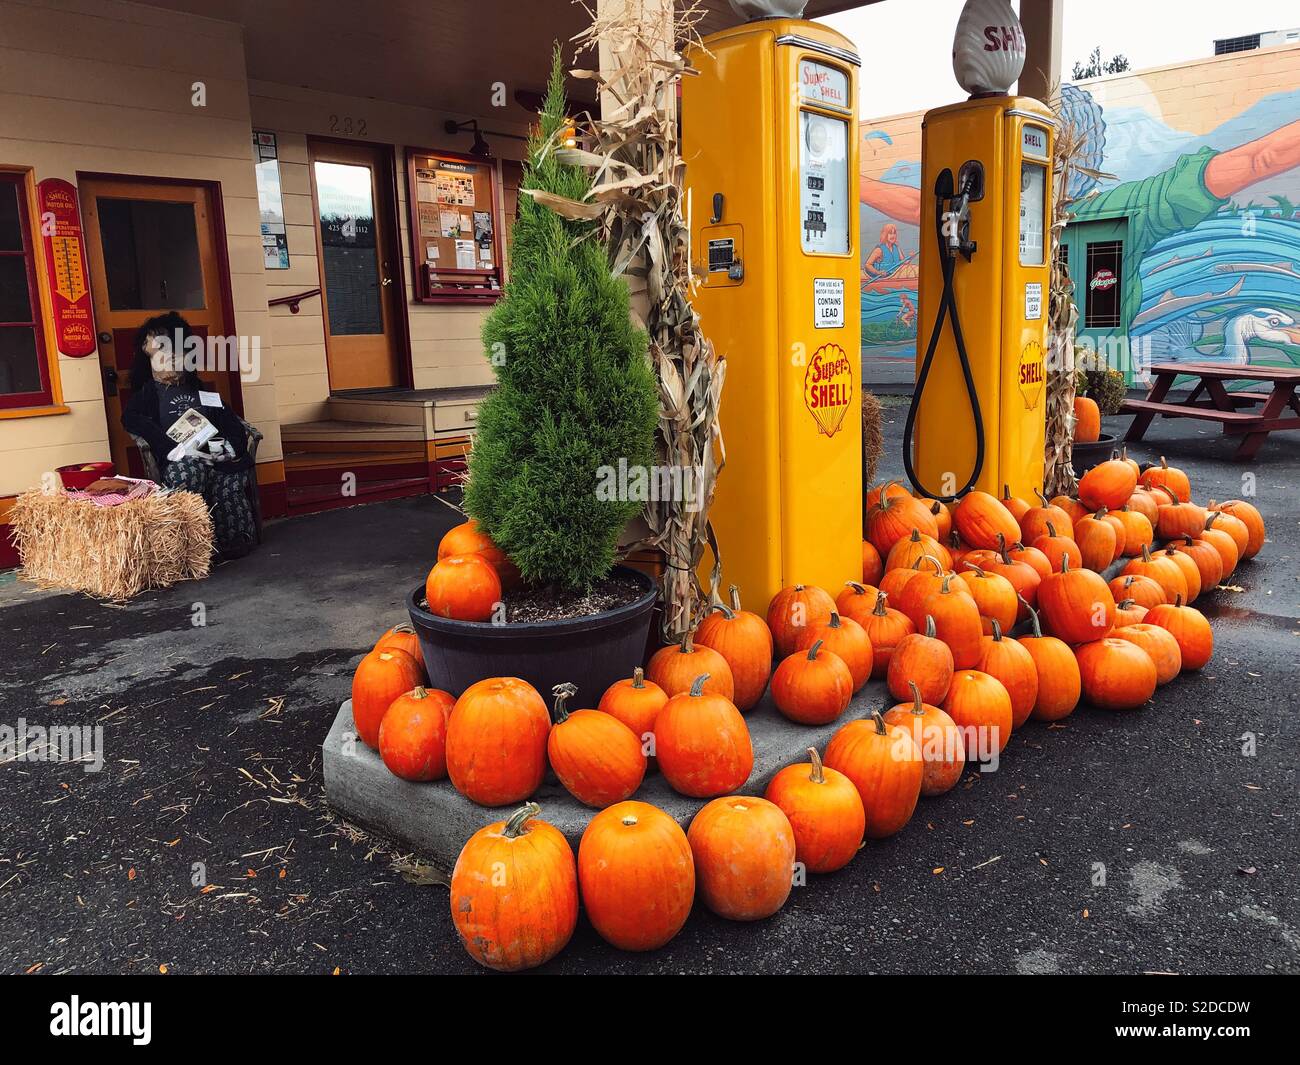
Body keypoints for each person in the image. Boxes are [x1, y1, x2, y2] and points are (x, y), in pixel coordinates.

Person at [121, 312, 257, 559]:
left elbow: (229, 420)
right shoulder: (148, 395)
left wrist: (227, 447)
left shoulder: (200, 390)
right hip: (180, 459)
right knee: (190, 472)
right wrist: (172, 449)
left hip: (212, 456)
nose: (171, 356)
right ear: (147, 352)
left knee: (230, 477)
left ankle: (232, 540)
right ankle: (193, 549)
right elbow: (131, 419)